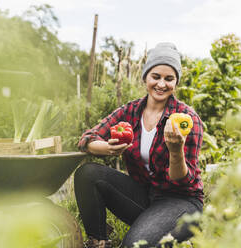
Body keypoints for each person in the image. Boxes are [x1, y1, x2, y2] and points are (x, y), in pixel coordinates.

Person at [75, 42, 204, 248]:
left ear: (175, 83)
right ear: (145, 77)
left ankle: (171, 233)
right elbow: (86, 139)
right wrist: (107, 148)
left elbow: (182, 181)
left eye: (169, 79)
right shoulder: (131, 111)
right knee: (88, 174)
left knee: (135, 245)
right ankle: (99, 241)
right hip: (146, 197)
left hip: (181, 202)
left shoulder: (186, 119)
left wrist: (176, 151)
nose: (161, 84)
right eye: (156, 77)